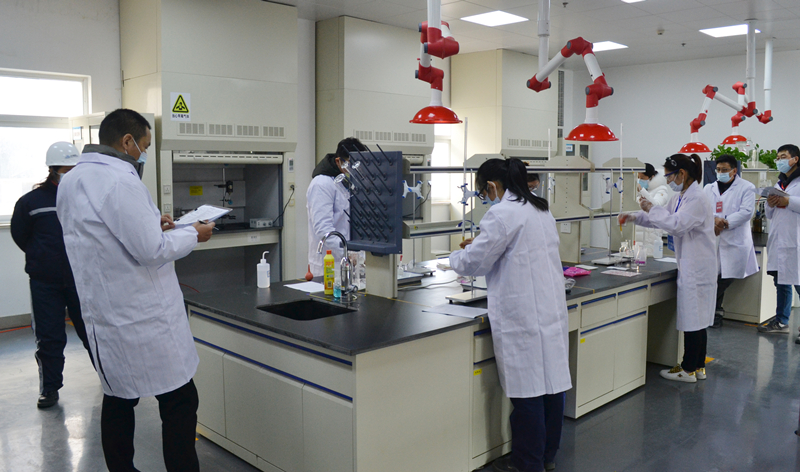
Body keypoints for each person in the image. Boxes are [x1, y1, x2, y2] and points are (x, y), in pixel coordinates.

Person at [56, 109, 215, 472]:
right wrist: (194, 234)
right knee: (180, 400)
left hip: (104, 315)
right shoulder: (120, 181)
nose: (144, 153)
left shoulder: (72, 179)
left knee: (118, 398)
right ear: (127, 141)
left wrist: (151, 223)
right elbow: (151, 251)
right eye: (144, 145)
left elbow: (100, 235)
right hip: (144, 317)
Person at [450, 158, 571, 472]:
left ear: (492, 186)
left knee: (527, 392)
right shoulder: (540, 208)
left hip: (522, 314)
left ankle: (528, 463)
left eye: (483, 193)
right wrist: (480, 245)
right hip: (549, 308)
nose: (485, 199)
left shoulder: (502, 213)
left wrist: (455, 256)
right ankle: (547, 456)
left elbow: (474, 264)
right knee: (551, 386)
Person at [10, 142, 93, 409]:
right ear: (53, 169)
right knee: (49, 337)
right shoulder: (31, 201)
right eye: (66, 169)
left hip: (81, 279)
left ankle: (111, 379)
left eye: (74, 168)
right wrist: (42, 256)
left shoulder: (86, 197)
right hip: (45, 281)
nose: (71, 173)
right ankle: (49, 388)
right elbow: (20, 235)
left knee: (92, 332)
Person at [620, 154, 716, 383]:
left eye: (670, 176)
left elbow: (676, 225)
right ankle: (698, 366)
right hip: (693, 265)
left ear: (682, 173)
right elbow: (661, 218)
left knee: (693, 320)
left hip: (697, 268)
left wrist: (652, 208)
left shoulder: (697, 198)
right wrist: (633, 216)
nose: (669, 181)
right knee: (698, 320)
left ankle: (688, 369)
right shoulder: (681, 197)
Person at [703, 154, 758, 328]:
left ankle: (714, 311)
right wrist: (714, 219)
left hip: (735, 241)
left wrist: (724, 222)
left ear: (734, 170)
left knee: (723, 279)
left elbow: (746, 212)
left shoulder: (747, 187)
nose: (721, 173)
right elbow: (703, 209)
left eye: (725, 170)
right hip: (714, 239)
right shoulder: (709, 188)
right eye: (718, 170)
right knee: (714, 278)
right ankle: (715, 312)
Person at [306, 137, 366, 276]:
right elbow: (323, 228)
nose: (353, 170)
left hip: (350, 262)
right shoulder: (321, 184)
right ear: (338, 161)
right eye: (350, 165)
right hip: (329, 263)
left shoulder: (346, 181)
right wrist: (347, 251)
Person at [760, 144, 800, 336]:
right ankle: (781, 321)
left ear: (795, 159)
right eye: (778, 157)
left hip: (795, 240)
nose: (779, 161)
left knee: (798, 283)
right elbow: (769, 214)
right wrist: (770, 203)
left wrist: (788, 201)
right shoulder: (779, 184)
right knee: (781, 284)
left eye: (783, 157)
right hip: (779, 239)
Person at [635, 163, 672, 256]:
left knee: (650, 260)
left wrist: (642, 191)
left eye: (642, 178)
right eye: (638, 177)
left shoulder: (661, 189)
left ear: (651, 177)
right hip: (637, 236)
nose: (639, 180)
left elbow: (656, 206)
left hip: (651, 237)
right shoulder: (640, 190)